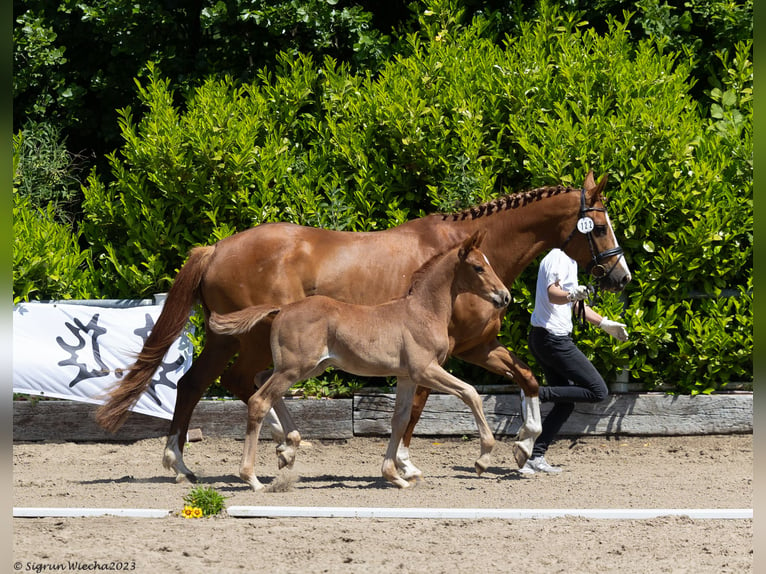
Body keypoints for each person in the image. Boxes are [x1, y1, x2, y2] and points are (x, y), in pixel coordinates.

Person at [520, 248, 628, 474]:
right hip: (552, 339)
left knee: (566, 403)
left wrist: (605, 323)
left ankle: (535, 456)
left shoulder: (569, 260)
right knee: (598, 391)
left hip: (547, 338)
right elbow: (553, 293)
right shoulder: (557, 257)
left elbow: (573, 303)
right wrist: (570, 295)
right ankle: (537, 394)